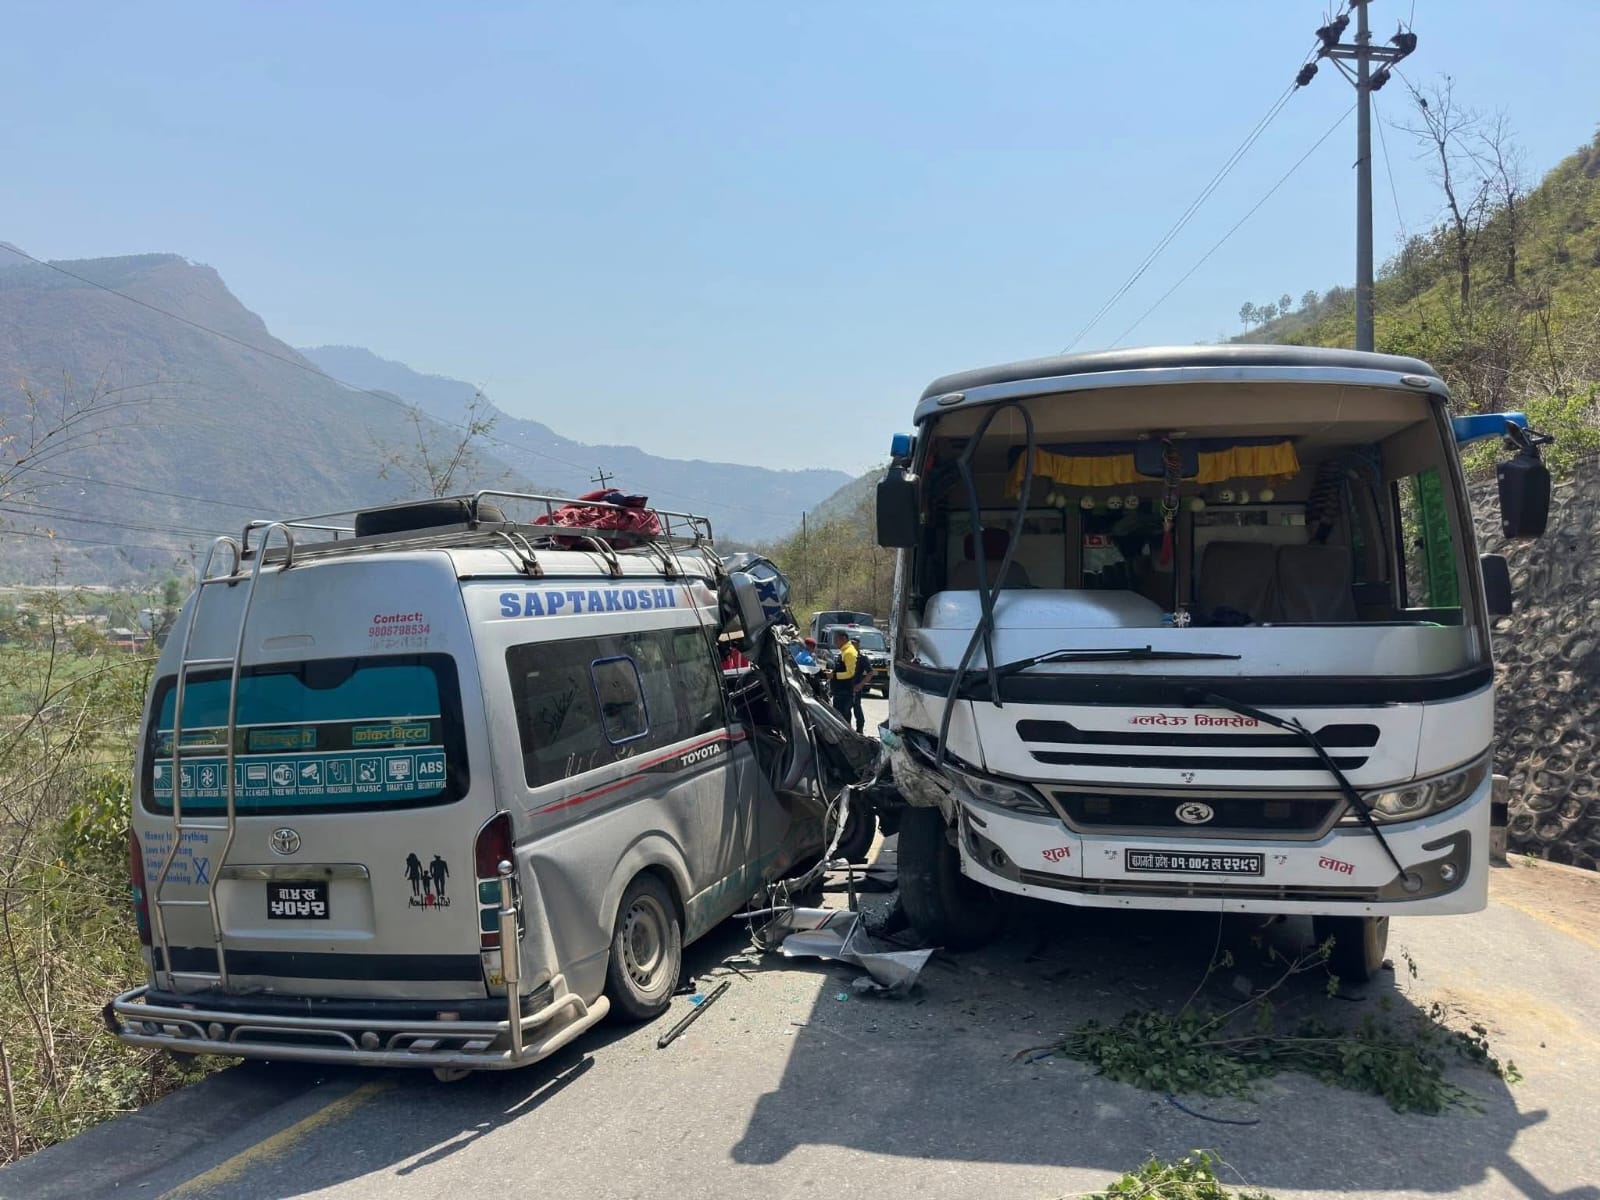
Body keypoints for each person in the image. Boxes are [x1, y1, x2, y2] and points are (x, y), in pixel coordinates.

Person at [829, 628, 859, 721]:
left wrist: (834, 675)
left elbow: (850, 673)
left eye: (836, 640)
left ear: (844, 638)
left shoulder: (849, 652)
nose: (835, 642)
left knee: (843, 719)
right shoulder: (844, 651)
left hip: (845, 693)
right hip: (840, 692)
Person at [849, 634, 869, 733]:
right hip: (845, 687)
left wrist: (861, 684)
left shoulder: (862, 658)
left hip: (856, 686)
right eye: (851, 643)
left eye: (855, 644)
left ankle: (860, 728)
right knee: (845, 709)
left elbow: (870, 673)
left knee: (856, 707)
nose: (853, 645)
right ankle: (847, 728)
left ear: (858, 645)